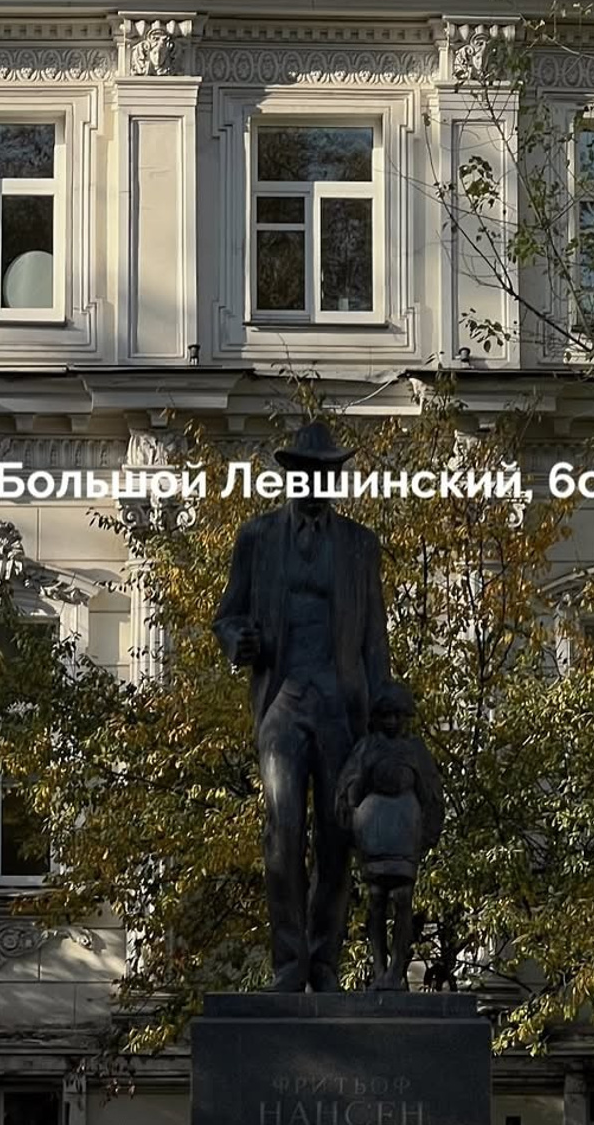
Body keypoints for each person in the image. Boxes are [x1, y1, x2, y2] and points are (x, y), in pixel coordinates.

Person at [213, 420, 390, 993]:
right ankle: (289, 965)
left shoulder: (360, 545)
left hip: (341, 702)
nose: (315, 482)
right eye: (306, 473)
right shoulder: (257, 538)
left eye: (325, 473)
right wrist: (238, 640)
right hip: (283, 701)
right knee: (283, 827)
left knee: (338, 836)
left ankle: (325, 962)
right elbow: (228, 615)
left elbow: (375, 637)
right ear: (289, 477)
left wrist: (383, 710)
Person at [335, 680, 444, 991]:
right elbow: (348, 792)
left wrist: (428, 832)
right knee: (376, 899)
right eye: (386, 715)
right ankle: (379, 968)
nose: (392, 722)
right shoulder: (366, 748)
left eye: (398, 715)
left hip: (405, 832)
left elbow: (430, 792)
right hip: (374, 833)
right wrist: (354, 826)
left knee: (402, 897)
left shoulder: (414, 750)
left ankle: (396, 970)